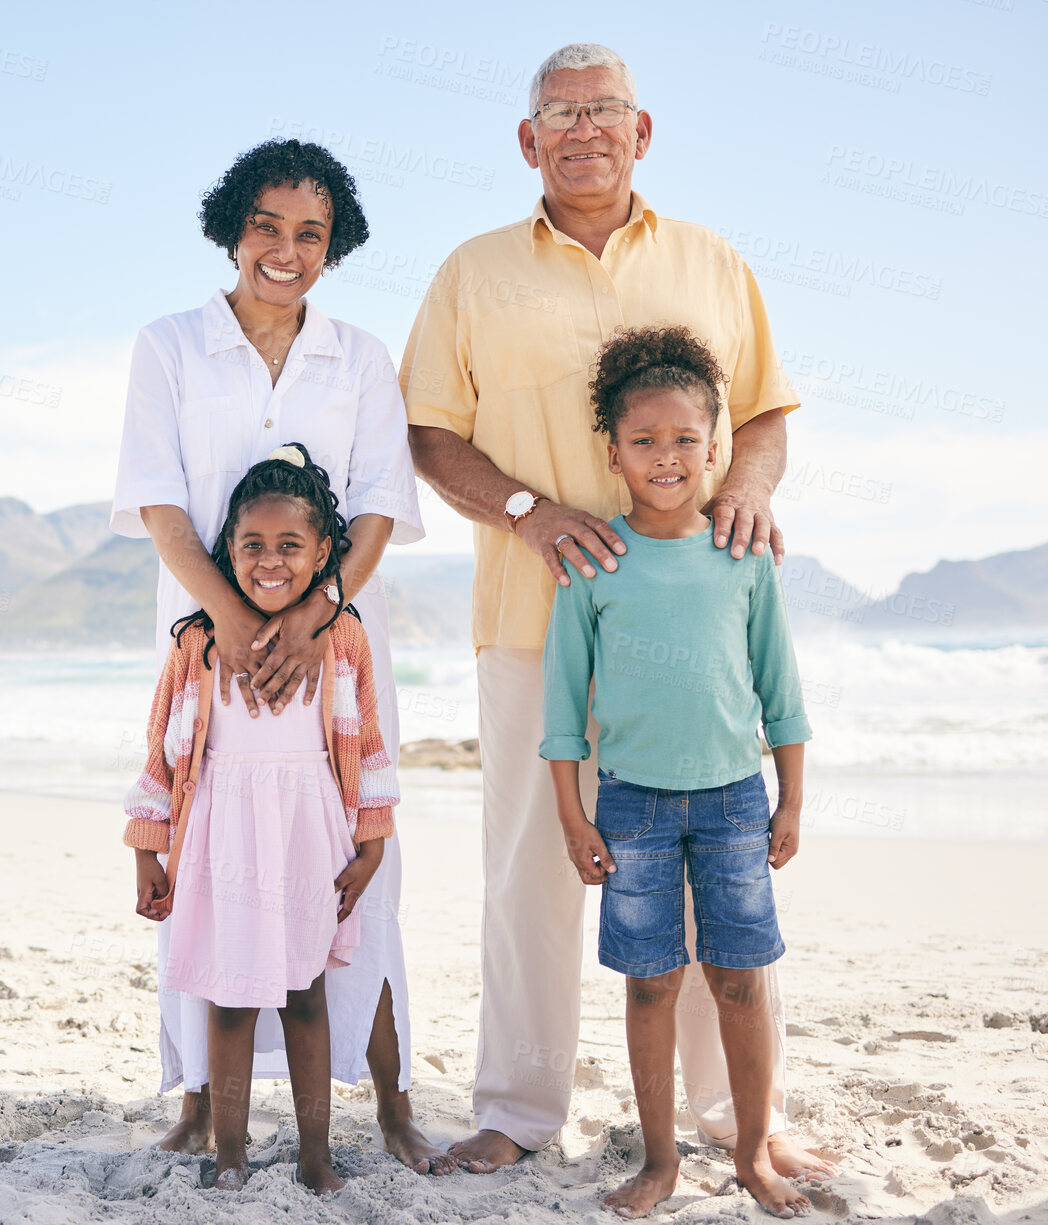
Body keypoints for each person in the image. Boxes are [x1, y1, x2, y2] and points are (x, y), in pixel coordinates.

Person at [400, 43, 834, 1178]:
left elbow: (768, 412)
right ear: (527, 140)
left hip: (697, 641)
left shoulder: (713, 263)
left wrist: (747, 483)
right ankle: (518, 1107)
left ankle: (736, 1118)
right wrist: (529, 511)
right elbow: (432, 434)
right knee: (533, 866)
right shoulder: (472, 272)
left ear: (643, 132)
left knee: (712, 873)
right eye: (560, 112)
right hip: (535, 617)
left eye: (606, 110)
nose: (584, 128)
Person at [112, 139, 452, 1173]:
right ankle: (194, 1099)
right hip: (207, 650)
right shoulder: (170, 347)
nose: (286, 249)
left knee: (350, 867)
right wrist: (232, 624)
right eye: (267, 225)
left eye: (311, 233)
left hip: (337, 648)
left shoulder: (357, 355)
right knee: (213, 860)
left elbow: (384, 500)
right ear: (232, 226)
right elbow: (161, 506)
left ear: (333, 245)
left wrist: (313, 617)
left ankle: (389, 1096)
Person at [541, 326, 812, 1218]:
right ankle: (659, 1160)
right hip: (632, 805)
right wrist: (575, 818)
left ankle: (748, 1151)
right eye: (645, 440)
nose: (668, 456)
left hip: (737, 800)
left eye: (687, 439)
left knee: (740, 978)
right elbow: (561, 713)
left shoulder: (744, 556)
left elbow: (782, 691)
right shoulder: (594, 564)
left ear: (716, 445)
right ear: (612, 452)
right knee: (651, 981)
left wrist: (790, 801)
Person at [124, 444, 398, 1193]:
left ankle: (316, 1152)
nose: (270, 561)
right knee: (232, 997)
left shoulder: (340, 639)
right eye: (252, 545)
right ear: (226, 551)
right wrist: (148, 848)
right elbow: (164, 755)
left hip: (309, 835)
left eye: (290, 546)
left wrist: (372, 843)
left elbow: (367, 748)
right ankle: (232, 1151)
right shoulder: (199, 643)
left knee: (307, 994)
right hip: (222, 836)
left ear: (322, 554)